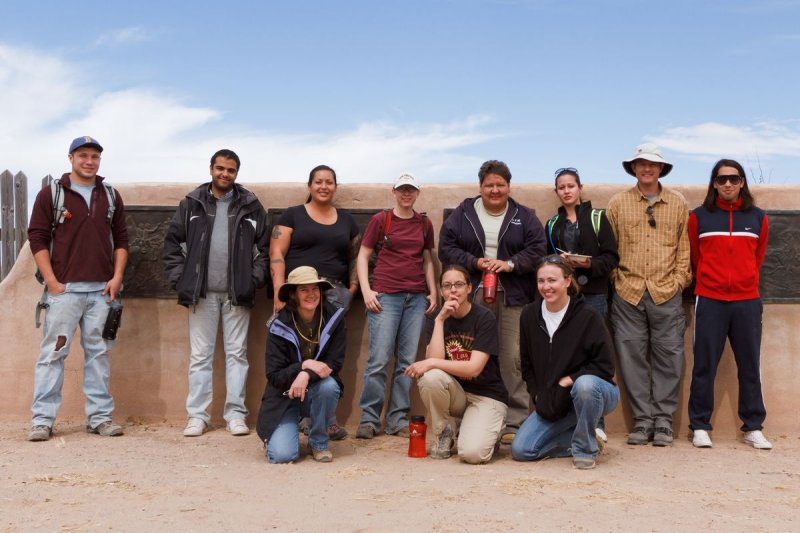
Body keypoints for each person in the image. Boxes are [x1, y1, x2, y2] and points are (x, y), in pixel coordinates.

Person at [27, 136, 129, 441]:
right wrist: (53, 282)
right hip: (65, 293)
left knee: (98, 355)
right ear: (71, 158)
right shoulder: (52, 194)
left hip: (101, 293)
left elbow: (122, 241)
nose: (89, 161)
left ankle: (99, 418)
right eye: (83, 155)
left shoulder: (110, 195)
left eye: (95, 156)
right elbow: (37, 239)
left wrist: (116, 279)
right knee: (53, 355)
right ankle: (42, 420)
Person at [438, 160, 546, 444]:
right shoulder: (462, 214)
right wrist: (474, 262)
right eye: (489, 185)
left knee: (512, 357)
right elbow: (446, 248)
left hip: (513, 295)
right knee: (468, 356)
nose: (495, 190)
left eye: (500, 185)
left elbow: (538, 250)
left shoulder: (525, 215)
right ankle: (468, 417)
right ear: (480, 187)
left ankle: (515, 421)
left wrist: (509, 264)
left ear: (509, 186)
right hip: (473, 296)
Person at [163, 149, 269, 437]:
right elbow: (173, 245)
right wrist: (181, 280)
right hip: (202, 294)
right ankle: (197, 416)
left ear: (237, 173)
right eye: (220, 168)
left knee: (238, 355)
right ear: (211, 168)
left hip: (238, 295)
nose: (225, 174)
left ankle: (236, 414)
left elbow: (265, 250)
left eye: (230, 170)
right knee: (200, 357)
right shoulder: (192, 203)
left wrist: (253, 280)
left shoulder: (251, 205)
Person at [606, 143, 691, 447]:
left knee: (669, 358)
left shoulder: (678, 203)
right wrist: (617, 278)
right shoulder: (618, 203)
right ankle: (643, 421)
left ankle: (664, 421)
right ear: (633, 168)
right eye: (641, 164)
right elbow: (610, 247)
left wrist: (680, 280)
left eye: (652, 165)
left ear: (660, 169)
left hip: (666, 292)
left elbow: (684, 248)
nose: (646, 169)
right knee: (631, 359)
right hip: (627, 293)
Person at [269, 164, 359, 440]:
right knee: (299, 353)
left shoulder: (346, 220)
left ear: (335, 186)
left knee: (327, 356)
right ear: (309, 186)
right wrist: (278, 291)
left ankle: (324, 420)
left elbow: (355, 257)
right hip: (298, 293)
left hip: (333, 294)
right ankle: (299, 416)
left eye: (329, 182)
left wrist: (352, 290)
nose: (324, 186)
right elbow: (276, 252)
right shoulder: (293, 215)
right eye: (318, 181)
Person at [687, 159, 772, 450]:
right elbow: (696, 258)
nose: (728, 184)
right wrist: (712, 282)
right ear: (714, 183)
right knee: (704, 365)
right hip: (709, 300)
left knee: (750, 366)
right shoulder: (699, 217)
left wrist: (743, 281)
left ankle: (753, 426)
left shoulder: (758, 217)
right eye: (722, 179)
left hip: (746, 301)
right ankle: (699, 425)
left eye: (734, 179)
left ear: (742, 183)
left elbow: (756, 258)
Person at [511, 256, 619, 470]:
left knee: (585, 385)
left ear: (568, 281)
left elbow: (606, 366)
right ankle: (583, 436)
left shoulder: (588, 316)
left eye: (552, 280)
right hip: (554, 402)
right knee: (522, 450)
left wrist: (570, 380)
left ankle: (585, 449)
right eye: (541, 281)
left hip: (594, 393)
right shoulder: (529, 315)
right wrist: (539, 395)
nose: (546, 287)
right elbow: (526, 364)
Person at [355, 173, 437, 439]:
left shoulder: (424, 223)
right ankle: (369, 419)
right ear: (394, 191)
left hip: (415, 298)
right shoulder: (382, 220)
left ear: (417, 193)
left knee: (407, 361)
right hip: (385, 296)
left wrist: (433, 291)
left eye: (410, 190)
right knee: (378, 360)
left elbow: (426, 260)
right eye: (402, 189)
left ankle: (397, 419)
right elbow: (363, 255)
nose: (406, 194)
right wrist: (367, 291)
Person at [404, 265, 509, 464]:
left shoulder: (484, 317)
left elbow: (474, 368)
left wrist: (431, 361)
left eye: (459, 284)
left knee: (472, 454)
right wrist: (440, 320)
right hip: (457, 393)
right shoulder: (437, 318)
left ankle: (490, 432)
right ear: (441, 291)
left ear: (469, 288)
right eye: (447, 285)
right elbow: (433, 366)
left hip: (487, 396)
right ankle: (444, 434)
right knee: (430, 377)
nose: (453, 290)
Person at [256, 267, 347, 463]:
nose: (311, 294)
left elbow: (334, 363)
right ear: (293, 294)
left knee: (330, 385)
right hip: (285, 397)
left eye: (315, 289)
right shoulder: (279, 324)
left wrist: (305, 374)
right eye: (304, 290)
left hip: (316, 392)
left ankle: (319, 443)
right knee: (283, 455)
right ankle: (281, 434)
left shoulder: (334, 318)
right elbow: (274, 375)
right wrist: (303, 365)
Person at [546, 167, 619, 316]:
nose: (566, 191)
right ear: (556, 192)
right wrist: (558, 260)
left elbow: (612, 257)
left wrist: (589, 264)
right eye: (561, 188)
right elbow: (545, 258)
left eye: (571, 186)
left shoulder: (597, 217)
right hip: (563, 292)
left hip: (594, 293)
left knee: (594, 337)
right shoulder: (552, 224)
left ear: (580, 188)